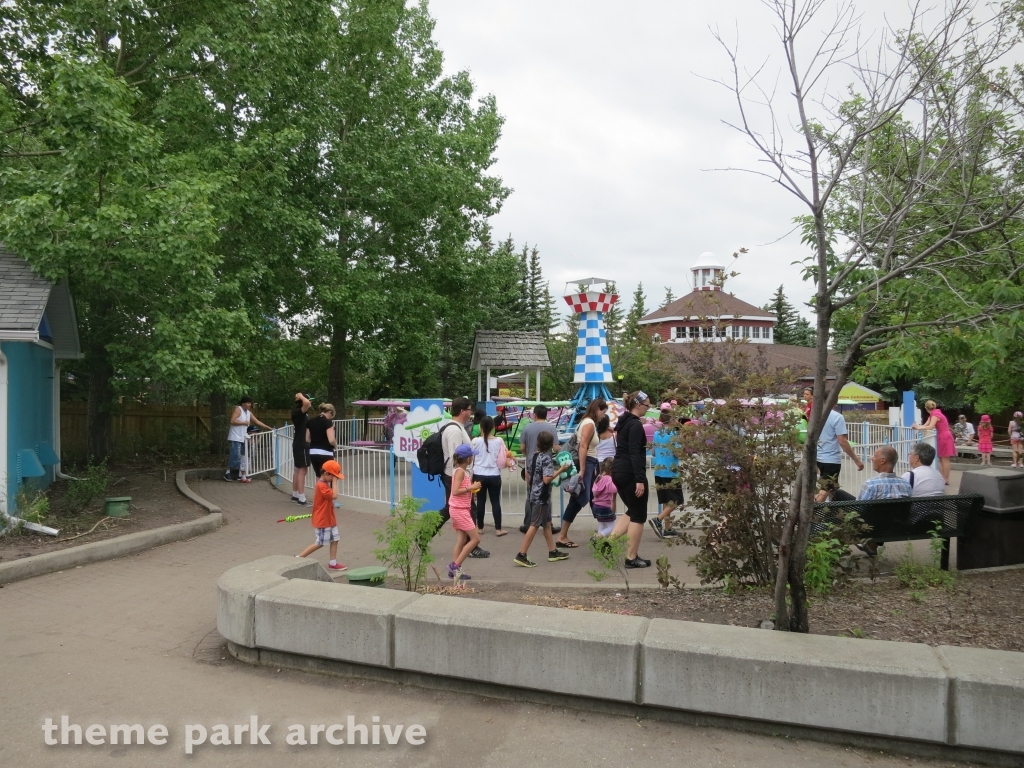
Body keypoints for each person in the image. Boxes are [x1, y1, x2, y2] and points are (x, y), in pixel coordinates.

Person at [436, 397, 490, 558]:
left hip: (458, 476)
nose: (471, 412)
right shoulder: (454, 430)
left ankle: (424, 536)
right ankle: (472, 545)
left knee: (450, 509)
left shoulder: (458, 427)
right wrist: (464, 479)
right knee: (465, 509)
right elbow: (456, 456)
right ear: (462, 411)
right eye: (469, 409)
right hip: (454, 476)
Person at [609, 390, 654, 568]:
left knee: (631, 510)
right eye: (647, 406)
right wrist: (640, 479)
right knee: (638, 515)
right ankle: (631, 556)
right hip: (630, 472)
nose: (648, 409)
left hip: (618, 469)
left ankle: (609, 542)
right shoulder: (635, 425)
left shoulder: (623, 422)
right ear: (638, 404)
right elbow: (635, 453)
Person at [514, 431, 572, 567]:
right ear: (550, 444)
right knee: (534, 525)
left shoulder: (534, 455)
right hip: (541, 496)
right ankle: (522, 554)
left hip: (534, 493)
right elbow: (547, 479)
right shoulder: (546, 458)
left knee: (547, 523)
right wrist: (561, 470)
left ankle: (553, 551)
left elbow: (529, 473)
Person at [557, 397, 608, 549]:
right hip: (587, 463)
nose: (603, 416)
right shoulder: (589, 424)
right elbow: (583, 446)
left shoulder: (585, 422)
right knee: (580, 498)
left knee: (592, 497)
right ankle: (563, 535)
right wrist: (584, 469)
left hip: (590, 463)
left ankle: (604, 531)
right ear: (597, 409)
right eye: (603, 412)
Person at [856, 447, 912, 557]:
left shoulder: (871, 484)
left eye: (874, 456)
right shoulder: (906, 485)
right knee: (884, 515)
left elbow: (858, 510)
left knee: (838, 494)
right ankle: (872, 546)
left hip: (870, 527)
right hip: (895, 527)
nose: (872, 458)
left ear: (882, 460)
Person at [296, 459, 346, 571]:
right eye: (333, 476)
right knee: (320, 542)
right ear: (326, 473)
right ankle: (299, 557)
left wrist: (333, 479)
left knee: (335, 539)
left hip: (330, 519)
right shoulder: (321, 485)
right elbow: (334, 496)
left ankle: (333, 563)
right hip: (323, 520)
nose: (335, 479)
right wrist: (335, 481)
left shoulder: (325, 484)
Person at [517, 405, 558, 534]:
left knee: (530, 494)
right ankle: (547, 523)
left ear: (534, 415)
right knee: (546, 495)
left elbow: (522, 447)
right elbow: (556, 447)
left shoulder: (527, 427)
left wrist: (528, 455)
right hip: (546, 465)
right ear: (546, 415)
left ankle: (527, 523)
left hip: (531, 464)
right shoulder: (551, 428)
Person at [471, 416, 513, 536]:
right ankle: (498, 529)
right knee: (495, 502)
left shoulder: (475, 441)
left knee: (480, 501)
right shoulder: (499, 440)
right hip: (494, 474)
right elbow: (504, 455)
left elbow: (471, 458)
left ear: (480, 427)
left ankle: (480, 528)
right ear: (493, 427)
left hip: (479, 474)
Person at [447, 445, 482, 580]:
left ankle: (455, 571)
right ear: (468, 458)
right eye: (471, 456)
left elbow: (459, 489)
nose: (473, 458)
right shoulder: (460, 472)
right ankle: (455, 565)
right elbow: (455, 491)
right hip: (460, 510)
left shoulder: (460, 471)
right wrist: (470, 487)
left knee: (461, 540)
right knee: (475, 539)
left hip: (458, 509)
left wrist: (471, 490)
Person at [649, 410, 683, 539]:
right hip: (671, 471)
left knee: (666, 500)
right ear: (673, 420)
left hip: (658, 470)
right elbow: (678, 453)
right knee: (676, 500)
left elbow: (653, 452)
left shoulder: (657, 433)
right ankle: (658, 519)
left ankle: (667, 529)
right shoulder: (674, 434)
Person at [816, 401, 864, 487]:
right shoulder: (837, 417)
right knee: (827, 490)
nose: (836, 404)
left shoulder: (815, 415)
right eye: (835, 402)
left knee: (830, 489)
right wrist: (856, 459)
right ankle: (816, 501)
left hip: (818, 457)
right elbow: (842, 441)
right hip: (831, 459)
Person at [225, 396, 272, 482]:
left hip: (244, 438)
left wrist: (268, 427)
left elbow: (257, 421)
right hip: (236, 437)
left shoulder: (248, 413)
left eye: (250, 403)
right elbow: (232, 421)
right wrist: (243, 423)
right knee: (235, 455)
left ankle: (240, 475)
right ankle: (227, 473)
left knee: (243, 456)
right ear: (243, 403)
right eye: (248, 403)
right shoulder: (238, 409)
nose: (249, 405)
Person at [913, 400, 954, 483]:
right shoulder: (934, 414)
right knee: (940, 458)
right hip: (942, 436)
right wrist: (917, 426)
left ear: (926, 408)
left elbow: (930, 426)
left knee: (945, 458)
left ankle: (945, 479)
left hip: (944, 436)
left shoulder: (935, 415)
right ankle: (943, 478)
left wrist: (918, 428)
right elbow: (925, 425)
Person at [305, 403, 337, 479]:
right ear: (329, 412)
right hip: (326, 453)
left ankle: (318, 490)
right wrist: (335, 445)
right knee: (327, 477)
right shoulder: (328, 422)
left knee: (319, 476)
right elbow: (331, 440)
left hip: (313, 452)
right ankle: (326, 491)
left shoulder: (311, 421)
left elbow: (307, 439)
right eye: (331, 415)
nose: (331, 417)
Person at [291, 393, 312, 504]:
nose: (310, 403)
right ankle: (301, 496)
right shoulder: (300, 413)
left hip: (298, 444)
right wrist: (301, 396)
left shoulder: (300, 413)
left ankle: (295, 494)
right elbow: (307, 403)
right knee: (302, 470)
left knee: (298, 469)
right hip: (302, 444)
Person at [591, 458, 618, 536]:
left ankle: (600, 544)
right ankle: (598, 537)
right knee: (611, 527)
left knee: (602, 525)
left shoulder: (598, 477)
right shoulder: (608, 479)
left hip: (596, 506)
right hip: (605, 507)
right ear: (611, 469)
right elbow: (614, 489)